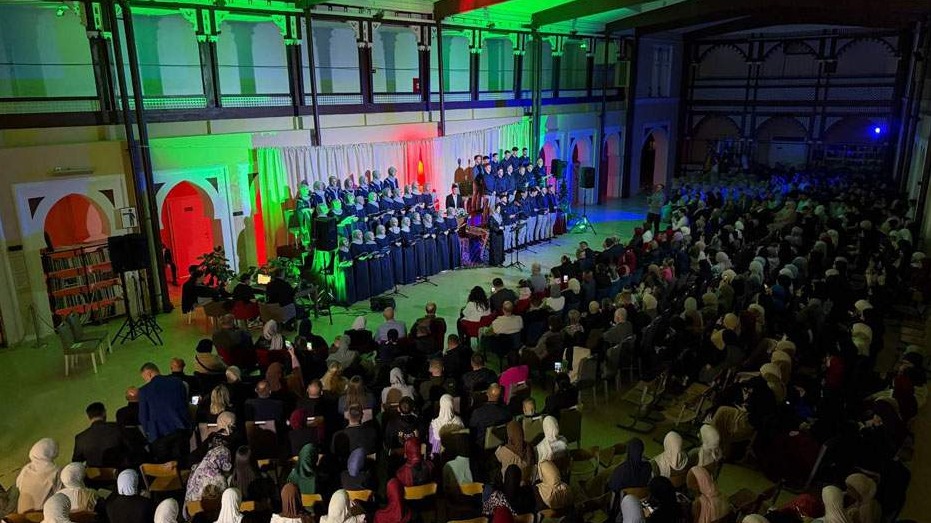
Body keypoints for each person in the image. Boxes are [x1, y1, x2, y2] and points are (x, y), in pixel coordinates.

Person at [138, 362, 191, 461]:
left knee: (166, 467)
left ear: (149, 374)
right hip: (180, 428)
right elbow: (185, 403)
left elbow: (143, 417)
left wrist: (149, 434)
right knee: (183, 462)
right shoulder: (177, 382)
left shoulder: (144, 391)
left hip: (159, 434)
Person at [72, 402, 129, 468]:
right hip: (118, 475)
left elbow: (76, 463)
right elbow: (131, 449)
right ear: (104, 413)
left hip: (94, 477)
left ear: (88, 416)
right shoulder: (118, 428)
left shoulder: (80, 438)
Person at [16, 438, 62, 513]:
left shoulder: (26, 469)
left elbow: (18, 485)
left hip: (22, 513)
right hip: (42, 514)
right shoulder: (56, 470)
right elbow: (60, 492)